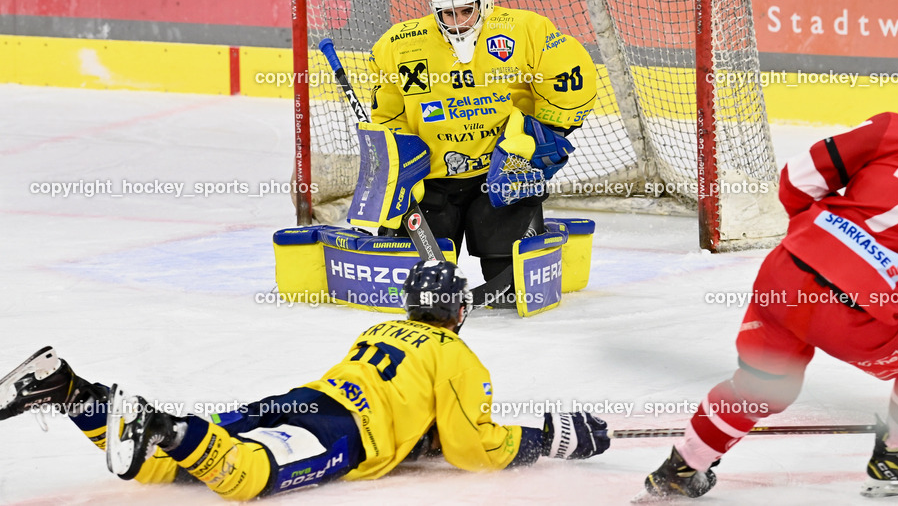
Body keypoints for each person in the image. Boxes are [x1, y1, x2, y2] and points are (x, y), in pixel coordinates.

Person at [641, 64, 898, 499]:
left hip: (786, 276)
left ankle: (681, 469)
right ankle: (897, 455)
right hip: (859, 316)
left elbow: (797, 181)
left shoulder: (892, 129)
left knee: (762, 385)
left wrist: (823, 243)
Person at [0, 260, 610, 500]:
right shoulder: (458, 358)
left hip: (302, 400)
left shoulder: (379, 329)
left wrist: (421, 436)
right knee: (246, 477)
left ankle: (68, 390)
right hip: (343, 432)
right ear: (458, 312)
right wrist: (548, 438)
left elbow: (414, 412)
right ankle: (158, 423)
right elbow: (472, 447)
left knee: (161, 469)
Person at [367, 0, 597, 305]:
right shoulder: (398, 44)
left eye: (466, 11)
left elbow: (571, 79)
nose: (458, 22)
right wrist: (402, 163)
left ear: (484, 2)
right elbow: (388, 115)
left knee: (512, 290)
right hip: (432, 180)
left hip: (502, 174)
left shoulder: (524, 30)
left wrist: (542, 134)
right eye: (448, 14)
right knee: (418, 289)